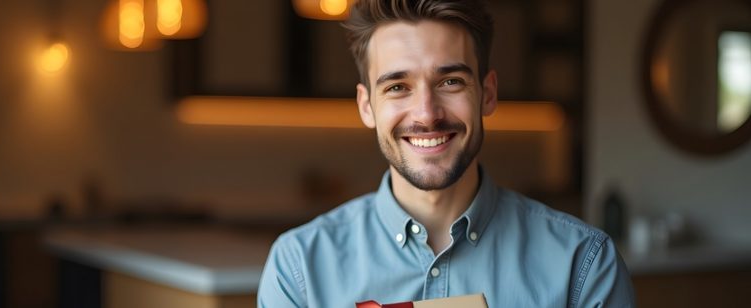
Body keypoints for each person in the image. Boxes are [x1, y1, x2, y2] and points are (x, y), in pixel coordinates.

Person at [257, 0, 635, 307]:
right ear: (366, 105)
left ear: (487, 93)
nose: (427, 114)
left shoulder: (583, 265)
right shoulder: (299, 268)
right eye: (397, 87)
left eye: (450, 81)